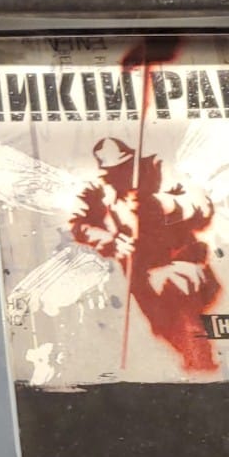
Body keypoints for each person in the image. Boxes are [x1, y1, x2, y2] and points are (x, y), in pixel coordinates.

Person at [69, 137, 221, 373]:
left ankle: (202, 365)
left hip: (180, 261)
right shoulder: (98, 192)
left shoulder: (160, 172)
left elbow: (202, 207)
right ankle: (194, 369)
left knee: (184, 313)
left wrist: (162, 203)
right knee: (163, 329)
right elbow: (80, 225)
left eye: (123, 167)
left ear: (132, 160)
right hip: (141, 275)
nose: (119, 176)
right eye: (112, 171)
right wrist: (110, 240)